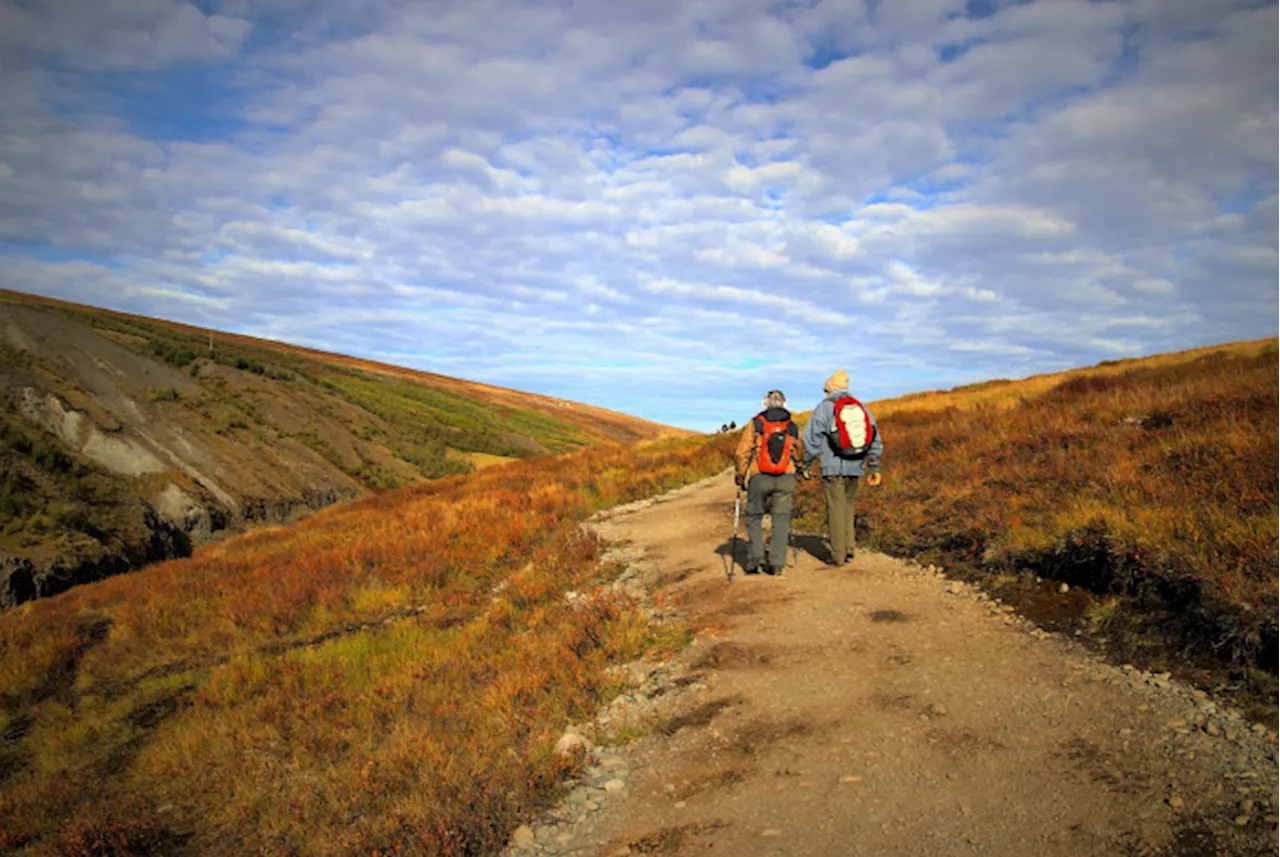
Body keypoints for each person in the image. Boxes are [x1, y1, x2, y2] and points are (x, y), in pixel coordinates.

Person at [802, 370, 883, 567]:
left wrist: (806, 463)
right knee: (848, 506)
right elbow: (874, 437)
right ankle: (849, 548)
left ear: (830, 389)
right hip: (856, 466)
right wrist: (874, 465)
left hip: (833, 467)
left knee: (835, 508)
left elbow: (811, 439)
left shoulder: (824, 408)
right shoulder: (861, 407)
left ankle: (838, 554)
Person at [734, 390, 804, 576]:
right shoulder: (792, 425)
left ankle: (756, 558)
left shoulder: (756, 423)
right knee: (781, 519)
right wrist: (798, 466)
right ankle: (777, 563)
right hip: (786, 477)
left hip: (760, 476)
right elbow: (798, 451)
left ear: (765, 403)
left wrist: (740, 475)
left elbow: (743, 451)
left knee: (754, 516)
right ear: (784, 403)